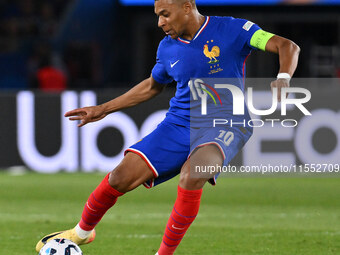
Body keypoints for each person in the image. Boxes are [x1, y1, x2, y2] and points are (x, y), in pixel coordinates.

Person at [36, 0, 300, 254]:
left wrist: (283, 77)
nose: (160, 22)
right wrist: (103, 109)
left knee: (193, 174)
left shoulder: (234, 29)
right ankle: (81, 233)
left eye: (165, 14)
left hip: (226, 121)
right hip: (180, 122)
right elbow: (153, 85)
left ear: (187, 7)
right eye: (157, 15)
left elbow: (287, 46)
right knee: (119, 178)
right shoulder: (167, 48)